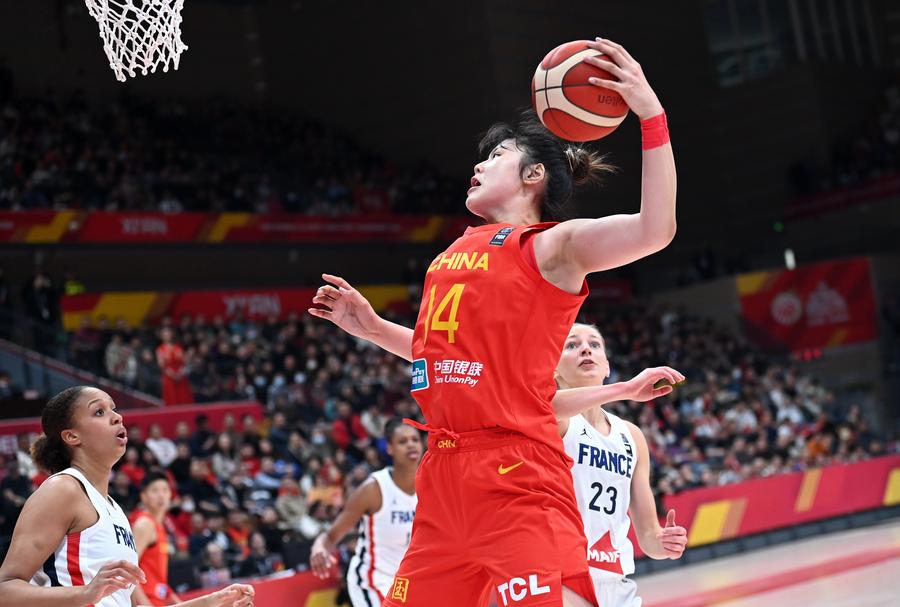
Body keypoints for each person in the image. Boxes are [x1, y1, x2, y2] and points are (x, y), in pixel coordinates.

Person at [310, 37, 676, 607]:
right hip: (443, 475)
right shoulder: (449, 255)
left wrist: (651, 115)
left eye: (497, 155)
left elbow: (655, 229)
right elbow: (447, 360)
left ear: (534, 175)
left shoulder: (552, 247)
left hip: (516, 473)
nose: (478, 164)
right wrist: (374, 329)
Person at [0, 385, 254, 607]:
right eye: (99, 412)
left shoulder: (116, 511)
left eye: (113, 408)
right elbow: (5, 590)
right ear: (72, 436)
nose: (117, 417)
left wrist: (211, 602)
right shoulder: (63, 489)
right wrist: (85, 593)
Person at [555, 324, 688, 606]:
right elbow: (547, 405)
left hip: (616, 581)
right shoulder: (555, 420)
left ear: (607, 366)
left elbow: (649, 536)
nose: (585, 349)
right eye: (572, 345)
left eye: (595, 344)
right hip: (562, 578)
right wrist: (626, 389)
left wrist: (665, 543)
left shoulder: (631, 435)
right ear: (554, 369)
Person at [309, 419, 421, 607]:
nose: (411, 444)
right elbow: (332, 535)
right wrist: (319, 548)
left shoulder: (429, 485)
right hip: (373, 580)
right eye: (402, 441)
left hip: (408, 581)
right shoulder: (374, 489)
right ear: (390, 448)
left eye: (414, 440)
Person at [131, 471, 180, 606]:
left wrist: (178, 601)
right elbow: (129, 569)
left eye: (165, 490)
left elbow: (157, 576)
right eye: (155, 490)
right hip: (145, 601)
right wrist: (146, 604)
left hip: (158, 600)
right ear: (143, 496)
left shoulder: (159, 525)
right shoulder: (144, 524)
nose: (161, 495)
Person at [156, 328, 194, 406]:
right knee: (172, 399)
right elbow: (161, 365)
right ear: (162, 337)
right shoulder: (160, 349)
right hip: (169, 377)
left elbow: (185, 362)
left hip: (181, 376)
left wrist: (181, 372)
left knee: (184, 398)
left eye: (169, 334)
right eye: (165, 335)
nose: (167, 336)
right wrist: (173, 375)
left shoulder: (178, 347)